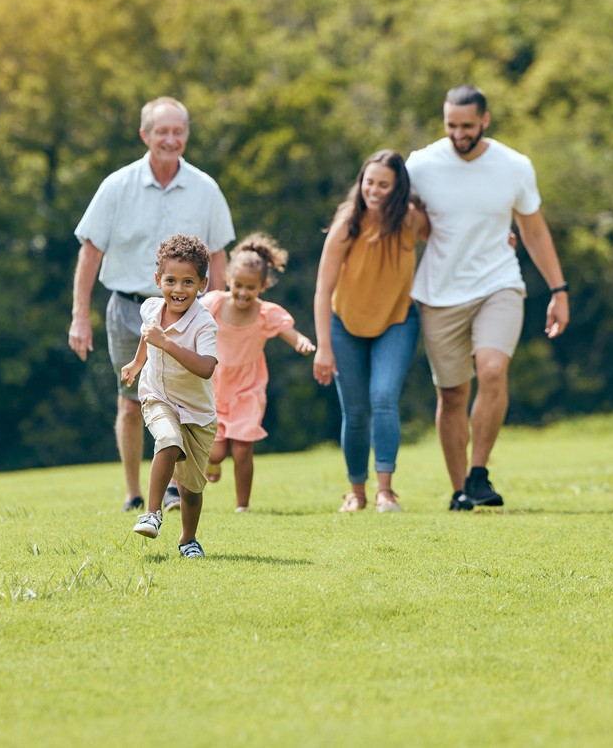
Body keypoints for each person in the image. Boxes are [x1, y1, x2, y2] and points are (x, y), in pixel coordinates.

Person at [406, 85, 570, 511]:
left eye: (466, 125)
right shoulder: (421, 165)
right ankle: (461, 489)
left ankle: (479, 473)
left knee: (493, 369)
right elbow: (409, 225)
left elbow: (533, 230)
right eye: (451, 125)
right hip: (439, 293)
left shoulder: (514, 166)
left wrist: (559, 289)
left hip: (499, 283)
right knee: (453, 394)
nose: (458, 134)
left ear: (485, 121)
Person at [68, 96, 234, 513]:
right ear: (145, 135)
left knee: (185, 397)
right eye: (163, 131)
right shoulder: (117, 186)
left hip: (191, 311)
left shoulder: (205, 188)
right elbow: (90, 252)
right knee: (130, 400)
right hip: (128, 308)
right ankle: (132, 493)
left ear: (186, 136)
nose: (171, 139)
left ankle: (176, 491)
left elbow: (217, 257)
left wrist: (219, 311)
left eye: (179, 131)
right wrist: (79, 318)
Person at [314, 150, 430, 512]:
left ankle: (385, 491)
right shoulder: (347, 223)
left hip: (397, 321)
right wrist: (323, 347)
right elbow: (322, 289)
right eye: (369, 182)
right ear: (360, 182)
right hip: (345, 325)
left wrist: (500, 240)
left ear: (398, 188)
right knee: (356, 410)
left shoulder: (411, 221)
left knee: (382, 397)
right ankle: (356, 492)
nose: (375, 190)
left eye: (384, 184)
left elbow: (454, 236)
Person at [202, 233, 315, 512]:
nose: (242, 293)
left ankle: (243, 505)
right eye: (238, 285)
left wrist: (300, 341)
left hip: (247, 389)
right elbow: (190, 322)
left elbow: (289, 332)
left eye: (250, 288)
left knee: (242, 449)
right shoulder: (215, 303)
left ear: (263, 286)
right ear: (228, 278)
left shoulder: (265, 314)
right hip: (214, 386)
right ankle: (213, 463)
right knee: (215, 450)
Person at [121, 234, 219, 558]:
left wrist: (168, 344)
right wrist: (137, 364)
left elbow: (206, 368)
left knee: (192, 489)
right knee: (167, 440)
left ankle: (188, 539)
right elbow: (148, 335)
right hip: (158, 395)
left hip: (197, 413)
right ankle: (152, 512)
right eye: (171, 281)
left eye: (188, 282)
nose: (179, 289)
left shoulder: (204, 324)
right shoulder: (151, 308)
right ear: (157, 280)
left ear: (202, 283)